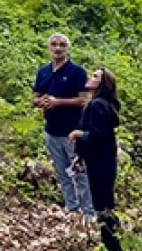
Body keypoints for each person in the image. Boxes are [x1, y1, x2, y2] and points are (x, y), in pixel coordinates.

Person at [32, 33, 95, 224]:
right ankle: (72, 208)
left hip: (73, 132)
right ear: (49, 48)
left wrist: (58, 102)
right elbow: (34, 98)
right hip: (51, 132)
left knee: (80, 173)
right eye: (54, 44)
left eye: (61, 45)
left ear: (67, 48)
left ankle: (89, 212)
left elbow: (85, 99)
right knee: (62, 172)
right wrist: (41, 102)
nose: (58, 48)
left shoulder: (77, 72)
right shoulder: (43, 72)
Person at [69, 68, 123, 251]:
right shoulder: (102, 104)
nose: (89, 78)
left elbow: (98, 135)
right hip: (102, 160)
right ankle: (115, 242)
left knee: (103, 206)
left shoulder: (98, 105)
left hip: (101, 162)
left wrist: (79, 134)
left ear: (103, 83)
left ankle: (113, 246)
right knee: (104, 204)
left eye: (95, 76)